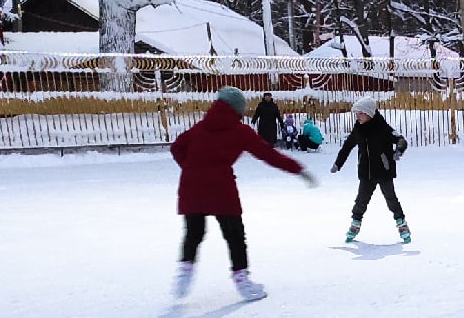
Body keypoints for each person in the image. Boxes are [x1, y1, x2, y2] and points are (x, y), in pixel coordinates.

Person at [171, 86, 315, 302]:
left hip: (192, 186)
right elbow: (268, 154)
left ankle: (183, 275)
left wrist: (192, 167)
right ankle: (243, 281)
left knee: (194, 233)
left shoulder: (201, 127)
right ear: (238, 109)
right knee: (235, 236)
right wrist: (298, 169)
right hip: (221, 188)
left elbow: (176, 148)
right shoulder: (240, 131)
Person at [333, 96, 410, 243]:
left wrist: (399, 150)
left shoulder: (383, 128)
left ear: (369, 113)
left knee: (391, 199)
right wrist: (338, 163)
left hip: (383, 170)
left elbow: (401, 140)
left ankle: (402, 225)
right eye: (356, 114)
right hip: (366, 172)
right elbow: (347, 146)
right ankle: (355, 224)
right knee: (361, 201)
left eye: (360, 113)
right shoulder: (358, 130)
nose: (357, 117)